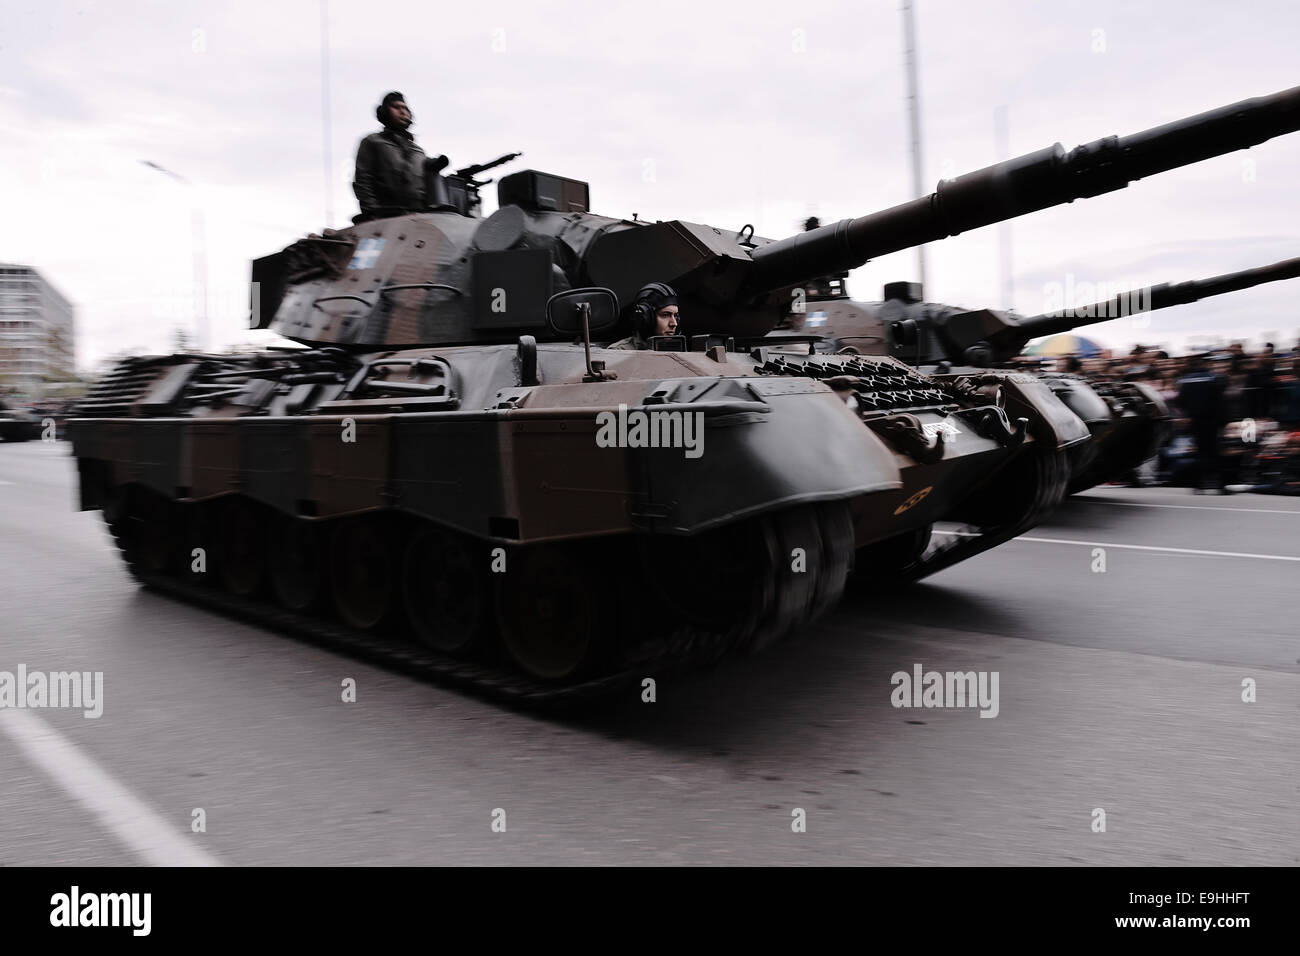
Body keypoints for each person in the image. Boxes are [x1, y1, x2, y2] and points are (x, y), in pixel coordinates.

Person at [353, 91, 428, 221]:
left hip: (417, 218)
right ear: (385, 112)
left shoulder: (418, 152)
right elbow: (363, 179)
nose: (403, 111)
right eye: (396, 107)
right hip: (384, 217)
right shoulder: (373, 142)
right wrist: (372, 212)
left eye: (405, 108)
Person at [608, 282, 681, 349]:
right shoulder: (619, 352)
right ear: (646, 318)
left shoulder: (677, 350)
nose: (674, 323)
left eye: (675, 316)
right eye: (665, 315)